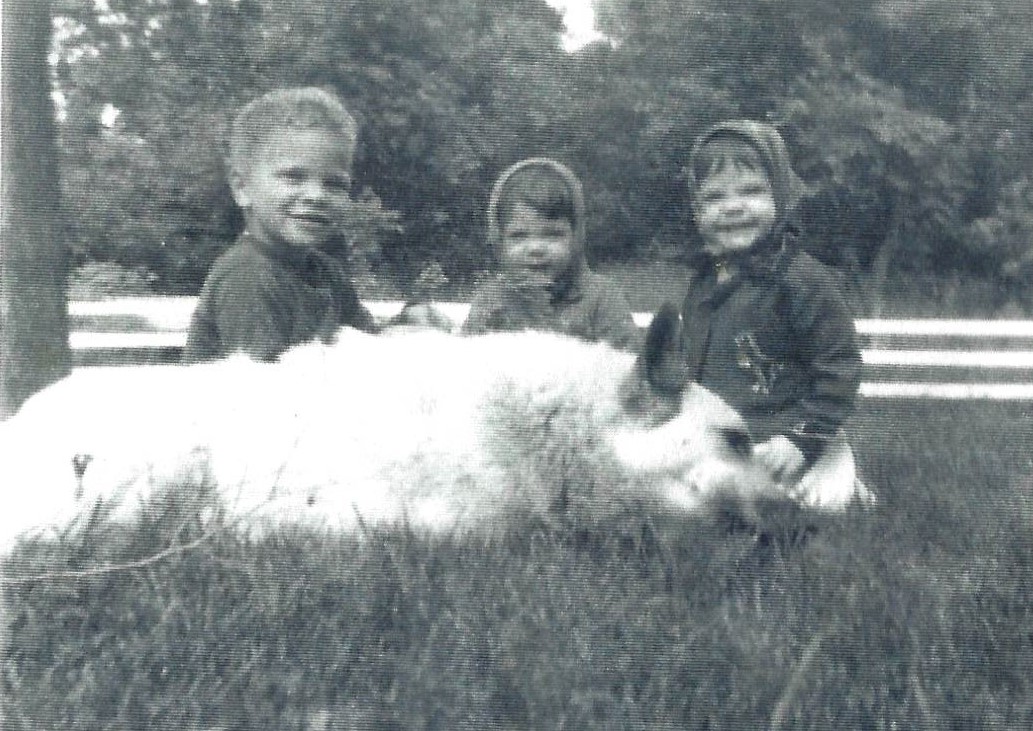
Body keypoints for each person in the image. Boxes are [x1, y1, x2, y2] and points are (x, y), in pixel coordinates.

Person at [677, 120, 869, 506]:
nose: (733, 207)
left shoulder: (801, 281)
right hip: (721, 436)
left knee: (785, 504)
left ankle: (840, 485)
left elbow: (839, 370)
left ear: (780, 197)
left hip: (788, 439)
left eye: (752, 191)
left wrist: (800, 440)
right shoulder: (703, 282)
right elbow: (691, 365)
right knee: (673, 491)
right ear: (698, 212)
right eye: (715, 198)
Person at [182, 87, 377, 364]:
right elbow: (265, 394)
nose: (316, 196)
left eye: (335, 184)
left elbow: (372, 349)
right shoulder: (248, 276)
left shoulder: (326, 273)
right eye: (293, 177)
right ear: (242, 188)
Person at [461, 158, 639, 349]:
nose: (536, 248)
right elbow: (469, 362)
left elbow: (627, 363)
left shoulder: (601, 298)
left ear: (575, 237)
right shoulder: (492, 299)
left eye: (552, 235)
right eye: (519, 236)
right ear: (500, 241)